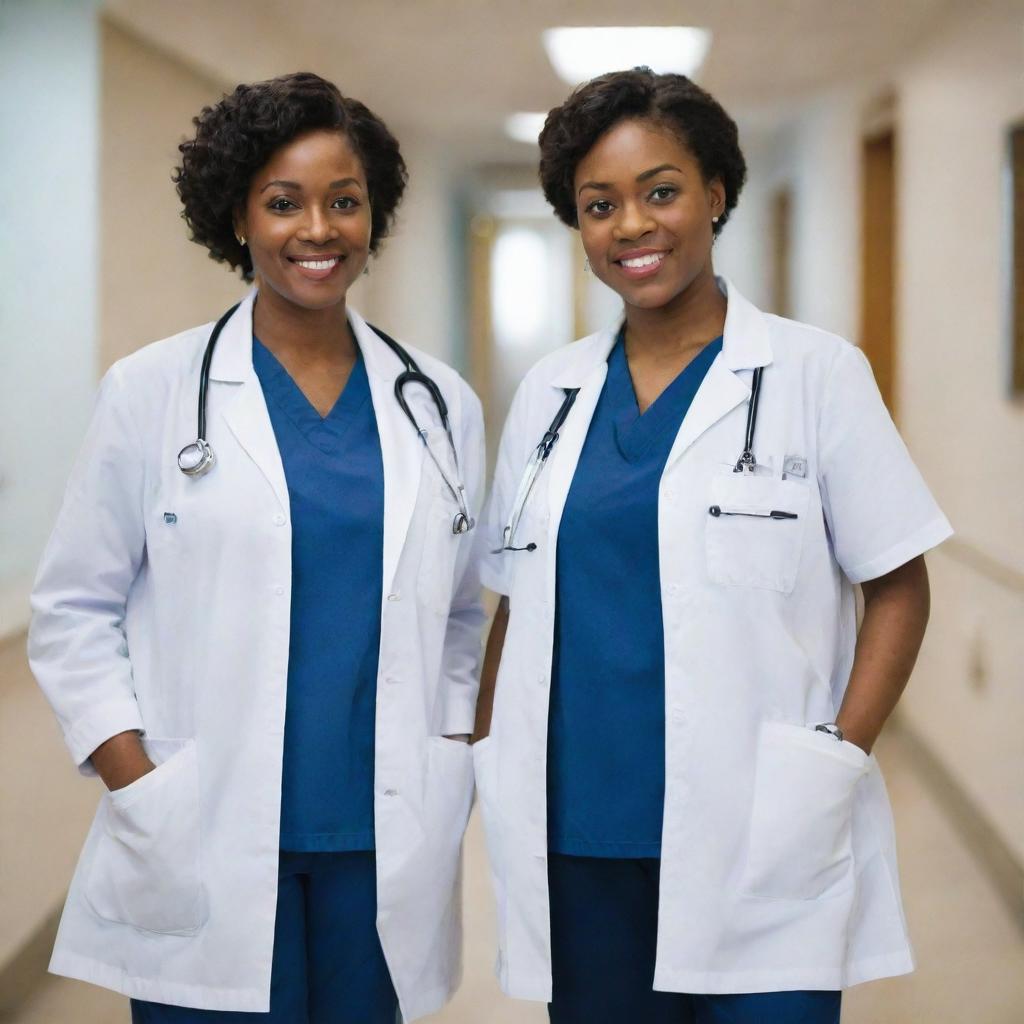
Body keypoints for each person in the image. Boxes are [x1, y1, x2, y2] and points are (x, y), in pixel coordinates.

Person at [472, 67, 952, 1024]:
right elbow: (517, 599)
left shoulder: (816, 373)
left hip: (763, 823)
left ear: (716, 194)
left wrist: (837, 758)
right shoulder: (551, 394)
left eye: (661, 191)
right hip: (581, 828)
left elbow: (899, 585)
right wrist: (487, 752)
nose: (632, 226)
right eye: (599, 205)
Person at [29, 71, 484, 1023]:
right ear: (237, 216)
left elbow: (462, 616)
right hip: (203, 824)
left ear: (373, 216)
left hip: (380, 830)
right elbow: (74, 607)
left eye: (344, 201)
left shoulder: (438, 403)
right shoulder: (152, 391)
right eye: (284, 202)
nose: (317, 230)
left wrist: (447, 746)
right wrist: (135, 778)